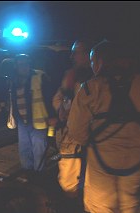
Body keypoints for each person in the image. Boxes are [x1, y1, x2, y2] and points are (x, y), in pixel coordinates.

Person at [66, 40, 140, 213]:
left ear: (100, 61)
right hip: (135, 161)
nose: (91, 65)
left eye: (93, 61)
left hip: (101, 161)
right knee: (129, 206)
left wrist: (90, 142)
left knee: (102, 209)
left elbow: (76, 130)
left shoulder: (90, 88)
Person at [53, 39, 94, 197]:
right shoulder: (70, 77)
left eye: (76, 52)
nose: (72, 56)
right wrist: (61, 109)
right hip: (70, 134)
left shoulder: (97, 80)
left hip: (89, 136)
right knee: (69, 181)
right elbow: (57, 98)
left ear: (88, 54)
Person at [8, 54, 57, 176]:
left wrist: (52, 115)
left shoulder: (40, 76)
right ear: (16, 67)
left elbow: (50, 97)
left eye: (26, 64)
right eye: (21, 64)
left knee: (39, 149)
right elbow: (12, 100)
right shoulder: (14, 80)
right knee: (24, 149)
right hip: (22, 121)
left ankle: (38, 175)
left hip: (39, 121)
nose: (24, 67)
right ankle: (27, 172)